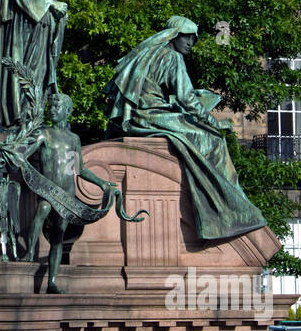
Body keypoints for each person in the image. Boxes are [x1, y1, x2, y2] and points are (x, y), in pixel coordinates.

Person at [105, 16, 267, 241]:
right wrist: (212, 122)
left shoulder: (147, 53)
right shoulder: (173, 58)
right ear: (175, 36)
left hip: (140, 115)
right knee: (213, 140)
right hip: (150, 116)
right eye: (188, 37)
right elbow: (187, 98)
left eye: (194, 38)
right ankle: (226, 209)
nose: (191, 43)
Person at [21, 93, 118, 293]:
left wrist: (102, 183)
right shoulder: (44, 134)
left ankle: (52, 282)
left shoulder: (74, 139)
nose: (52, 110)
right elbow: (24, 155)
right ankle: (30, 253)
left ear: (67, 111)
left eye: (57, 107)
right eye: (51, 107)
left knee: (58, 237)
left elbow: (79, 169)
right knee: (42, 211)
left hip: (66, 195)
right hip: (48, 191)